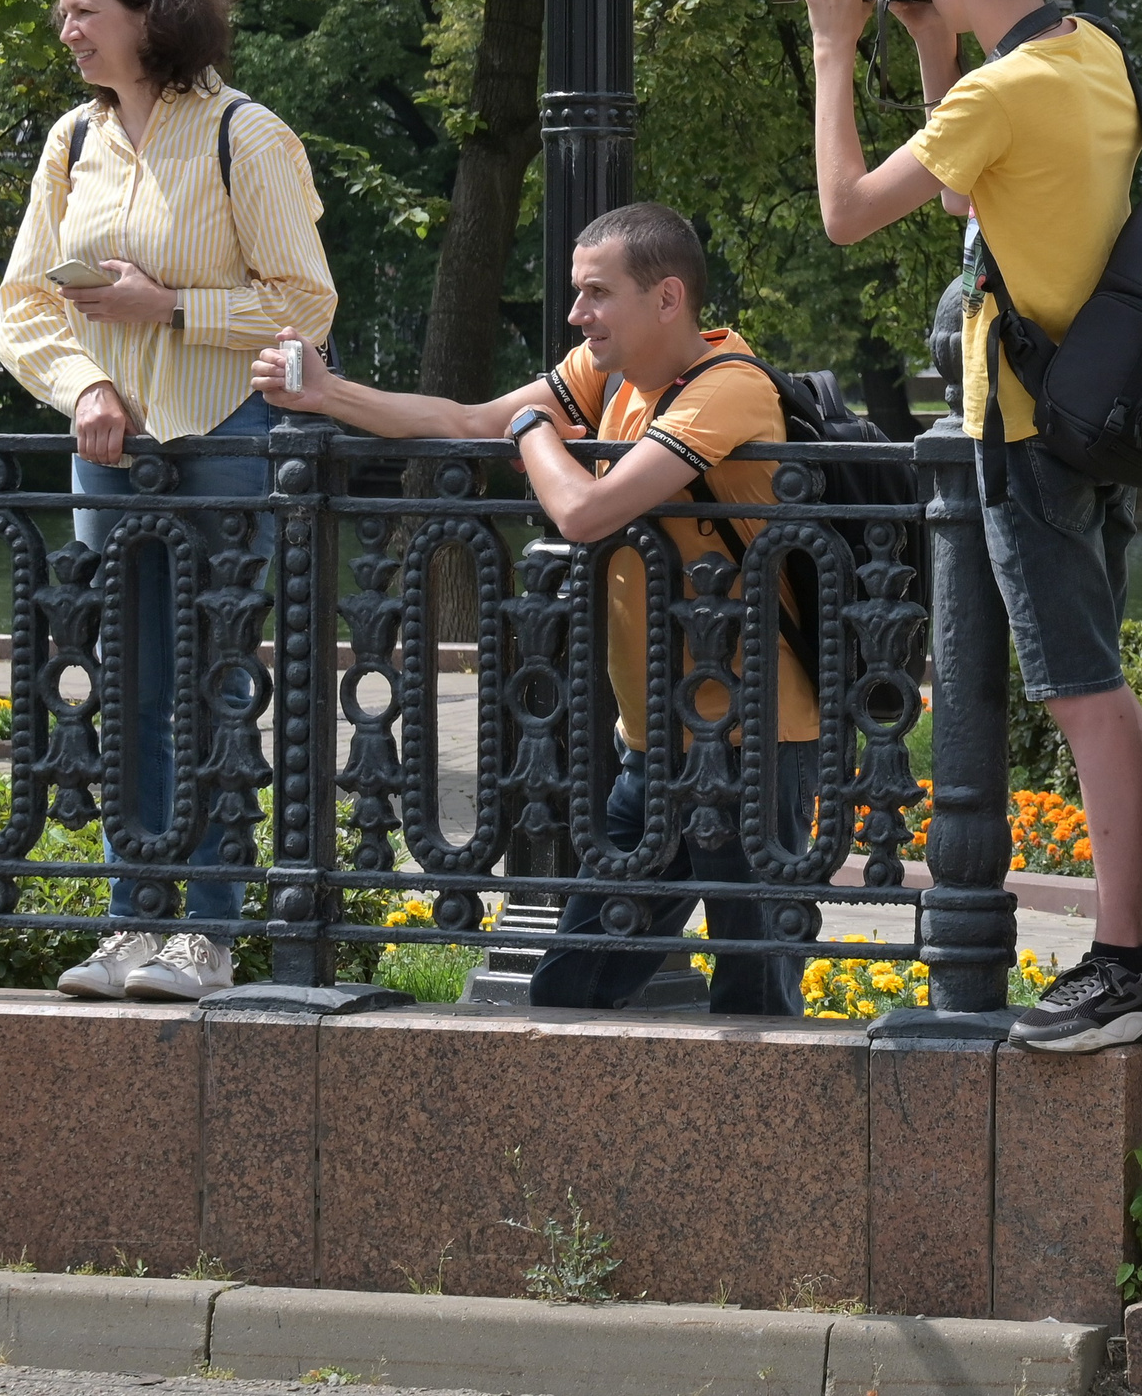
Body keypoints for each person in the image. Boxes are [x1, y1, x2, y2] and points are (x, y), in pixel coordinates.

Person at [249, 201, 819, 1014]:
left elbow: (585, 511)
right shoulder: (609, 372)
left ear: (666, 298)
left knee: (755, 1002)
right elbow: (461, 421)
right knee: (570, 989)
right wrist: (327, 390)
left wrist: (531, 429)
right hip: (653, 748)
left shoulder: (731, 389)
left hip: (752, 746)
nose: (577, 313)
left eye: (596, 293)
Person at [798, 0, 1142, 1050]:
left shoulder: (1000, 97)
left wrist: (830, 46)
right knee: (1106, 689)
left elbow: (848, 208)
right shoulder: (1088, 55)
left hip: (1025, 430)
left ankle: (1120, 962)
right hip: (1101, 416)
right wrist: (926, 45)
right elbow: (980, 196)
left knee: (1083, 698)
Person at [0, 0, 338, 1002]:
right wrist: (86, 382)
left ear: (151, 9)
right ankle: (132, 922)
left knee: (214, 690)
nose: (68, 31)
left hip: (225, 443)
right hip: (110, 454)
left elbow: (306, 305)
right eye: (64, 12)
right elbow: (22, 310)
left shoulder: (248, 135)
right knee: (128, 693)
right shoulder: (70, 142)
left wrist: (171, 307)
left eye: (85, 9)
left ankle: (208, 932)